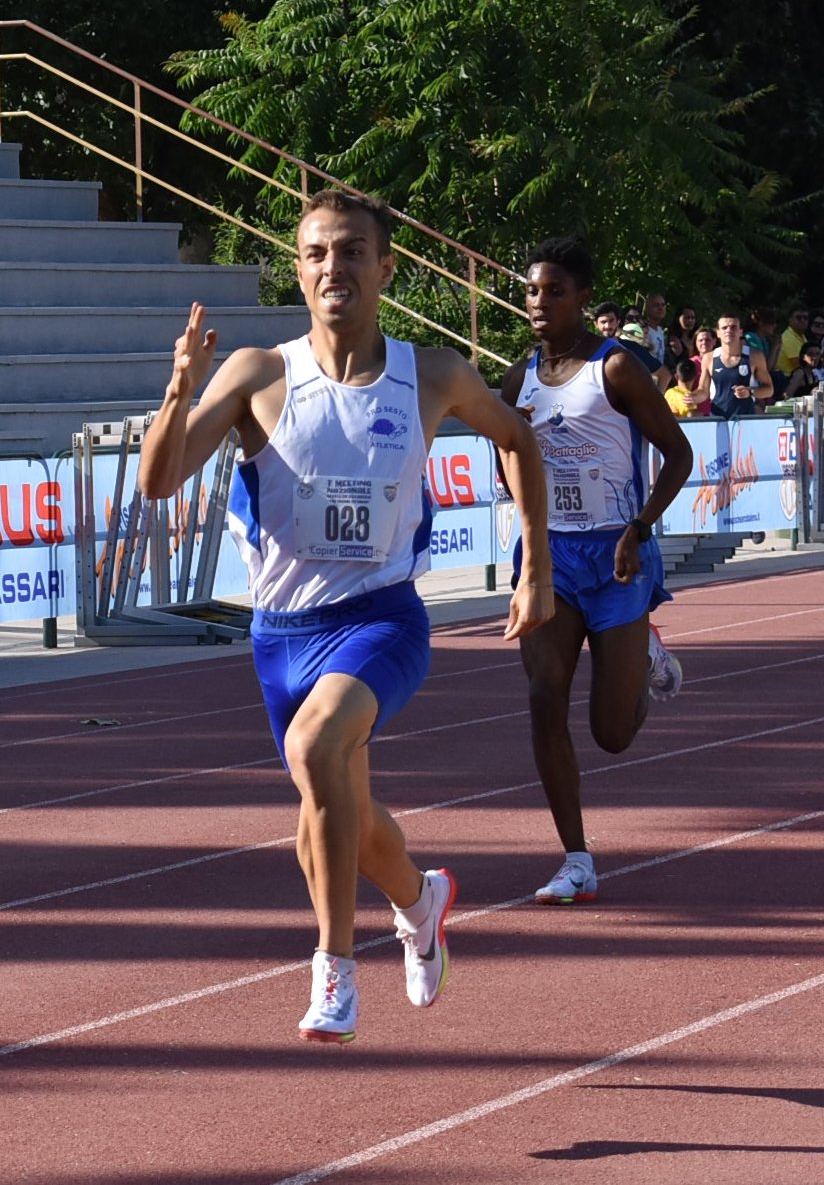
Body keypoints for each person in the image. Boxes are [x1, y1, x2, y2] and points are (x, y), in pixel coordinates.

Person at [138, 189, 554, 1043]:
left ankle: (335, 972)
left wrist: (535, 571)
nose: (335, 267)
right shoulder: (258, 374)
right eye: (318, 253)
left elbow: (519, 439)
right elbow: (159, 481)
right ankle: (421, 901)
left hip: (382, 620)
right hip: (280, 637)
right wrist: (179, 392)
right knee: (341, 829)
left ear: (385, 268)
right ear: (298, 271)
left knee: (318, 747)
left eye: (353, 251)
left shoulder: (433, 374)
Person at [502, 235, 694, 905]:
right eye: (532, 291)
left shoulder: (615, 369)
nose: (539, 303)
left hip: (617, 556)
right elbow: (507, 462)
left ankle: (644, 655)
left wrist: (640, 527)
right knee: (543, 696)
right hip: (550, 557)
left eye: (554, 291)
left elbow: (678, 456)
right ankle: (576, 858)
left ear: (583, 297)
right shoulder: (517, 380)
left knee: (611, 735)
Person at [708, 314, 775, 418]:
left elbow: (769, 390)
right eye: (724, 328)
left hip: (745, 418)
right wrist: (691, 397)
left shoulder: (754, 356)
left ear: (740, 332)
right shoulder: (709, 358)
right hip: (718, 418)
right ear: (718, 333)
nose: (729, 330)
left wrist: (750, 392)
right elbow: (703, 391)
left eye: (733, 327)